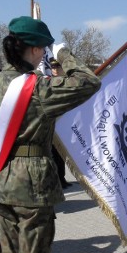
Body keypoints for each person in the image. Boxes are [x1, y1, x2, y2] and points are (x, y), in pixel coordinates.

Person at [0, 16, 101, 253]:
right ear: (33, 50)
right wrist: (64, 54)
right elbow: (88, 82)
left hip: (4, 181)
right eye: (44, 50)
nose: (45, 55)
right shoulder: (37, 89)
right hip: (32, 185)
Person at [48, 58, 71, 189]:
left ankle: (62, 177)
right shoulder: (48, 82)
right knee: (54, 153)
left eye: (58, 67)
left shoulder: (68, 81)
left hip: (65, 121)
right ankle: (56, 179)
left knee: (62, 153)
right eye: (53, 67)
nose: (55, 70)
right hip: (54, 122)